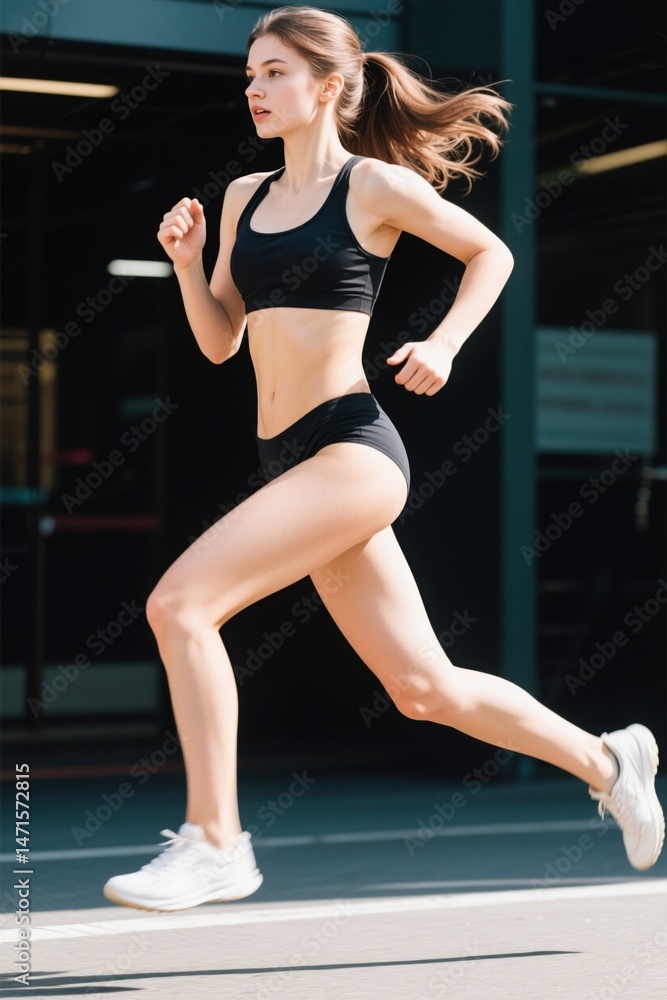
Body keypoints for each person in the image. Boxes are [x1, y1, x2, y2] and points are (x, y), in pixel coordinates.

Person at [103, 5, 664, 912]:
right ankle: (608, 760)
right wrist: (188, 262)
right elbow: (219, 343)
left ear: (329, 86)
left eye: (275, 72)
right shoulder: (244, 197)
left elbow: (489, 254)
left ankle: (215, 840)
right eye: (249, 75)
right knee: (421, 687)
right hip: (287, 461)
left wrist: (443, 343)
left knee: (180, 605)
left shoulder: (370, 186)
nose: (254, 89)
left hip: (350, 448)